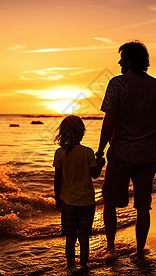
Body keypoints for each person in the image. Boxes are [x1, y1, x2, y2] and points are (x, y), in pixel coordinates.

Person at [96, 40, 156, 257]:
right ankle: (139, 251)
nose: (119, 62)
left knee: (109, 202)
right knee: (143, 206)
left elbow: (109, 121)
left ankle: (111, 249)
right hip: (148, 156)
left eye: (122, 58)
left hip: (121, 154)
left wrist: (100, 150)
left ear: (128, 60)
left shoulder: (117, 84)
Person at [53, 115, 105, 268]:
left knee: (70, 238)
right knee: (84, 238)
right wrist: (100, 163)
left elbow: (57, 180)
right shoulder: (87, 152)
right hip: (87, 203)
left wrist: (57, 199)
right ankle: (83, 266)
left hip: (68, 203)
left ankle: (70, 266)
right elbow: (94, 174)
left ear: (63, 132)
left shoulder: (59, 153)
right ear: (82, 132)